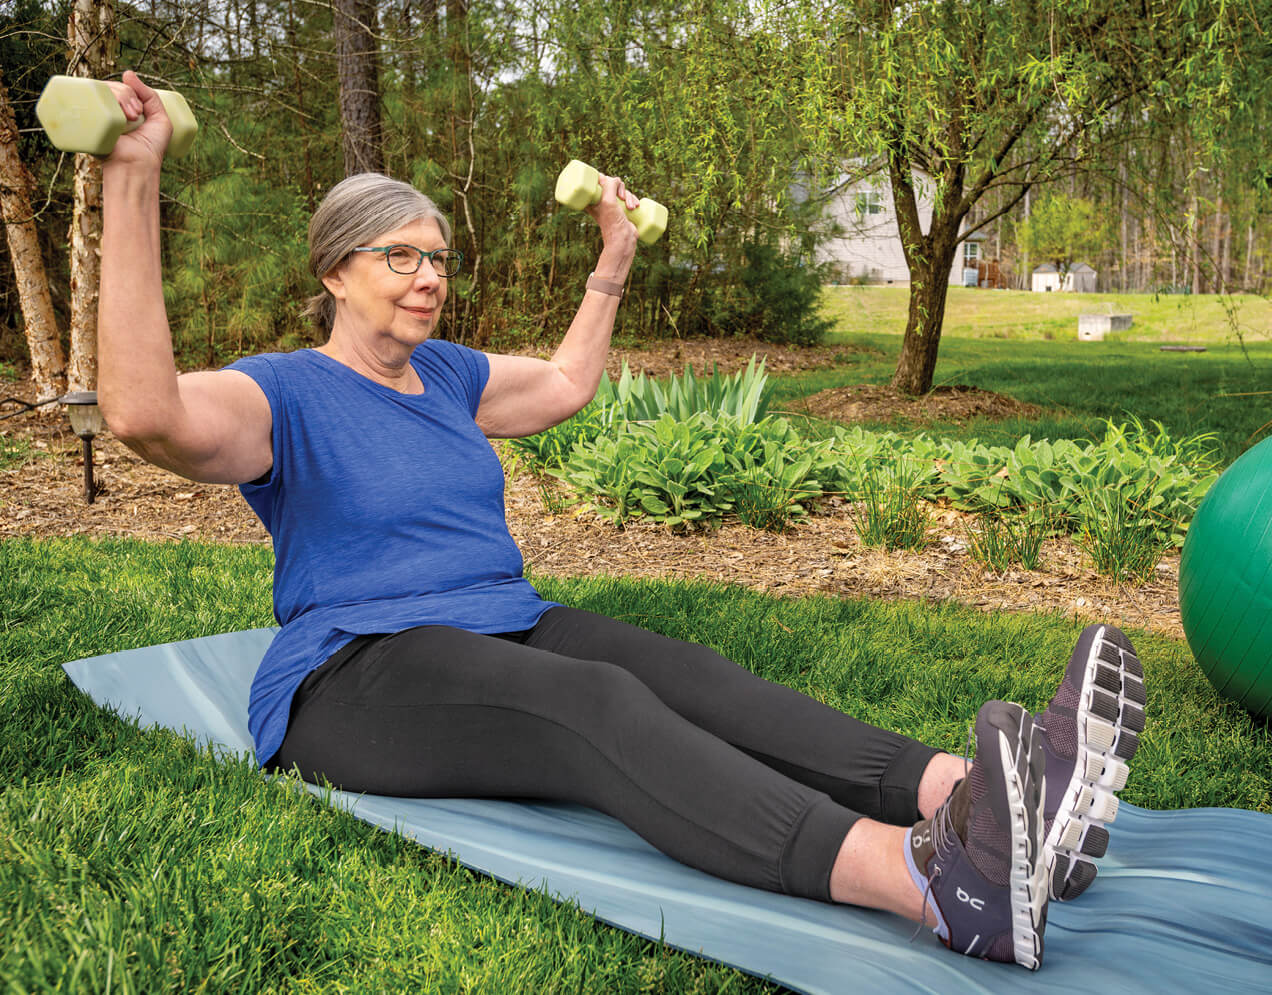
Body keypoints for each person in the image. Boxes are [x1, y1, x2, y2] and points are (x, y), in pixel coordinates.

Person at [97, 70, 1146, 970]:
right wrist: (133, 175)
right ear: (336, 270)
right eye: (398, 257)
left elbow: (560, 384)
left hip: (500, 615)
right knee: (596, 705)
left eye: (438, 258)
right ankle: (931, 885)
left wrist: (615, 256)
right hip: (356, 668)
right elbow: (147, 413)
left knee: (692, 676)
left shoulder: (450, 374)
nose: (428, 278)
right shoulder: (280, 391)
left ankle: (986, 801)